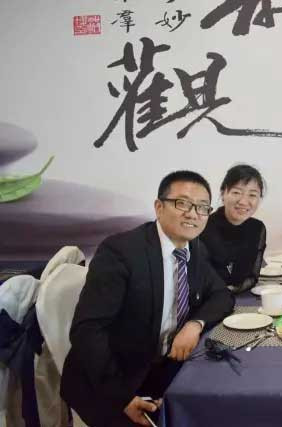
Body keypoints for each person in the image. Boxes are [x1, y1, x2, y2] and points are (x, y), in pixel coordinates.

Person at [61, 171, 235, 427]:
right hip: (111, 378)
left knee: (221, 405)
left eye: (202, 207)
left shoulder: (195, 249)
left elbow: (221, 294)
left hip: (161, 367)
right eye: (182, 203)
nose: (193, 214)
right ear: (159, 207)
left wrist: (194, 325)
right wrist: (122, 397)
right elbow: (87, 331)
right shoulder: (121, 252)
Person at [200, 164, 266, 294]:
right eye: (236, 192)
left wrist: (233, 290)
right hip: (209, 300)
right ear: (223, 193)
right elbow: (200, 281)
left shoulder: (257, 228)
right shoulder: (203, 227)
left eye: (252, 195)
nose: (243, 201)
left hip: (241, 296)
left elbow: (252, 277)